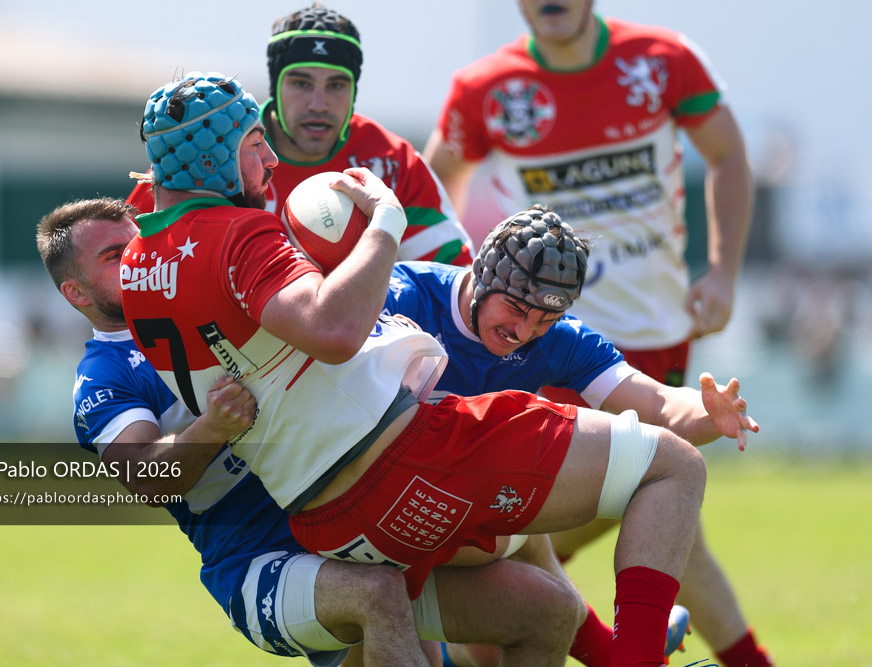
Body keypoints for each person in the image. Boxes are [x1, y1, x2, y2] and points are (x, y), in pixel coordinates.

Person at [122, 69, 710, 666]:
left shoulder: (139, 267)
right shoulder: (238, 232)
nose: (271, 159)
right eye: (253, 142)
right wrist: (385, 221)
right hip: (403, 460)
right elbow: (334, 331)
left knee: (548, 607)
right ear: (213, 154)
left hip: (326, 519)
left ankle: (615, 653)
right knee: (674, 467)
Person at [36, 197, 591, 666]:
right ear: (76, 294)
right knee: (379, 597)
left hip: (354, 528)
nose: (136, 259)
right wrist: (211, 428)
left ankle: (617, 650)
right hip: (260, 563)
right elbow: (147, 479)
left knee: (550, 611)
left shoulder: (219, 304)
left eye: (135, 244)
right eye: (114, 257)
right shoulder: (103, 376)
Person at [423, 3, 770, 665]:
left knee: (642, 511)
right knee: (551, 515)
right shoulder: (486, 88)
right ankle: (618, 650)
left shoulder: (662, 60)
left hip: (650, 340)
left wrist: (723, 271)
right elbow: (431, 195)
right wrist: (465, 302)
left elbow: (727, 154)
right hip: (535, 339)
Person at [381, 203, 759, 666]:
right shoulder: (401, 295)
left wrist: (705, 411)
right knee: (513, 558)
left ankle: (621, 653)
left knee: (541, 595)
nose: (524, 331)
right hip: (363, 526)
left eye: (544, 319)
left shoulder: (559, 338)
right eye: (516, 309)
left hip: (451, 523)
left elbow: (655, 403)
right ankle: (618, 649)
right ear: (480, 274)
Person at [127, 2, 474, 267]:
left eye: (336, 85)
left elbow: (450, 283)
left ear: (353, 92)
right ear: (276, 88)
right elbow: (129, 264)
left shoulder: (394, 162)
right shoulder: (209, 147)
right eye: (301, 83)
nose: (319, 104)